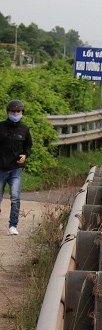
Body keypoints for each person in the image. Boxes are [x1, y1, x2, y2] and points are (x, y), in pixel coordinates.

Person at [0, 100, 32, 236]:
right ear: (8, 112)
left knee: (15, 197)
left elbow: (28, 146)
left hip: (16, 169)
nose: (15, 114)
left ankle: (13, 225)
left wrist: (25, 155)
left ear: (22, 113)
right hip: (0, 168)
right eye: (13, 111)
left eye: (18, 111)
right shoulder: (0, 127)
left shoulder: (24, 129)